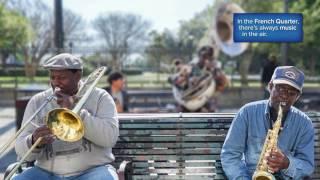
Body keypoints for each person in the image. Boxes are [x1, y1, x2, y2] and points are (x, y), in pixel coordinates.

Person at [14, 53, 119, 180]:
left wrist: (76, 112)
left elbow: (109, 138)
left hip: (92, 171)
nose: (56, 83)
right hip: (46, 173)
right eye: (53, 77)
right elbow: (20, 150)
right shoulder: (38, 101)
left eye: (62, 78)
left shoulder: (100, 97)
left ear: (78, 75)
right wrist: (34, 141)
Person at [221, 66, 314, 179]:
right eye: (281, 89)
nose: (284, 96)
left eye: (291, 93)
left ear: (298, 97)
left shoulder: (305, 124)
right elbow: (230, 155)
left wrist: (287, 164)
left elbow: (307, 166)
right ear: (270, 86)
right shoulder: (247, 112)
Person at [171, 45, 228, 112]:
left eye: (209, 58)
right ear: (199, 56)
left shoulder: (215, 69)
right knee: (179, 111)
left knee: (210, 110)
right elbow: (177, 81)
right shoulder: (191, 66)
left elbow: (222, 84)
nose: (206, 60)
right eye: (204, 57)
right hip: (187, 101)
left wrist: (216, 72)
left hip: (204, 101)